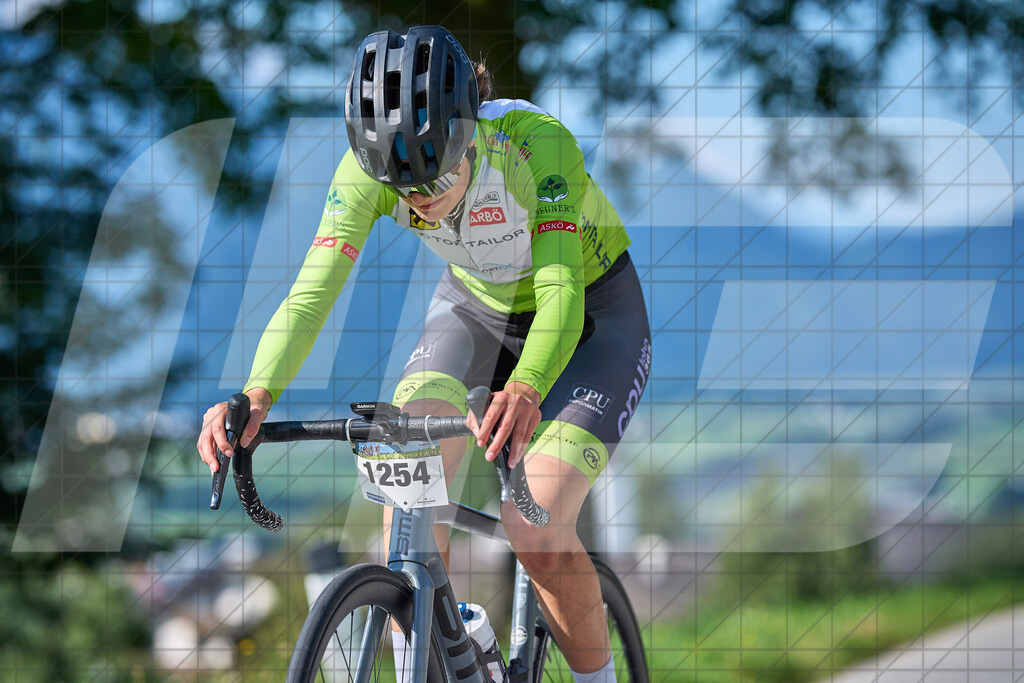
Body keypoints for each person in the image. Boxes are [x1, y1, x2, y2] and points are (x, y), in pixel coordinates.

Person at [196, 25, 650, 682]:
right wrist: (257, 391)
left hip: (591, 319)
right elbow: (309, 295)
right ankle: (450, 655)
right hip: (472, 311)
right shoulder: (366, 172)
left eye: (435, 177)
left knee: (536, 529)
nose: (422, 203)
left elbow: (559, 290)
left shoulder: (536, 144)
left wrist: (525, 389)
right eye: (403, 189)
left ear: (467, 132)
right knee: (406, 491)